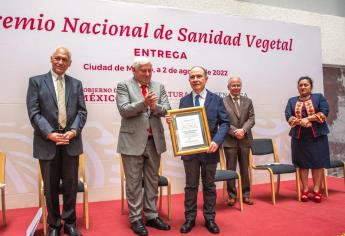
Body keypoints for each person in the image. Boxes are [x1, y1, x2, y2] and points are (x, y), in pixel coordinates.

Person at [26, 47, 87, 236]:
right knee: (50, 189)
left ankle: (69, 223)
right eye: (57, 58)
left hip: (71, 142)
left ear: (70, 63)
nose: (60, 62)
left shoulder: (76, 84)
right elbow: (34, 112)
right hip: (47, 143)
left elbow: (81, 112)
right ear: (51, 59)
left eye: (64, 59)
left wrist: (74, 131)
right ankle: (54, 225)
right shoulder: (36, 82)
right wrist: (50, 133)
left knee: (70, 186)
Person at [167, 66, 229, 234]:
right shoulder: (184, 101)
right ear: (189, 80)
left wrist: (217, 141)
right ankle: (190, 218)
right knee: (191, 186)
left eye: (199, 76)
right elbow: (181, 126)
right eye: (192, 77)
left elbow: (225, 123)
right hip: (190, 153)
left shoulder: (216, 100)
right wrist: (172, 124)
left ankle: (210, 218)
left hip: (210, 151)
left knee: (209, 186)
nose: (195, 79)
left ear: (206, 79)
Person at [116, 57, 171, 236]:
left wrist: (155, 107)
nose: (147, 74)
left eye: (150, 70)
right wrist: (144, 104)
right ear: (134, 71)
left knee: (152, 180)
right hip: (131, 142)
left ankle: (151, 215)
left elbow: (167, 109)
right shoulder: (124, 85)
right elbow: (124, 109)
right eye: (143, 71)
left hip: (154, 141)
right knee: (133, 182)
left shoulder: (159, 86)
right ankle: (135, 219)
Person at [285, 76, 330, 203]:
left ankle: (316, 190)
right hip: (299, 137)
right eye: (301, 85)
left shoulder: (319, 97)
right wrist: (301, 122)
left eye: (306, 85)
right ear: (298, 87)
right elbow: (288, 116)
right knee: (302, 164)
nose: (303, 87)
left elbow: (324, 112)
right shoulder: (291, 101)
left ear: (311, 86)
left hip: (318, 136)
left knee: (318, 163)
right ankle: (304, 189)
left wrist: (308, 119)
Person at [223, 77, 255, 206]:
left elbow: (252, 119)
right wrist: (236, 131)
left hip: (245, 140)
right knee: (230, 169)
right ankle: (231, 196)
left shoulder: (248, 101)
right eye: (233, 85)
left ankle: (246, 194)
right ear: (228, 87)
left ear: (241, 87)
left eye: (238, 85)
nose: (236, 87)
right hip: (230, 140)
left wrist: (243, 130)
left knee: (244, 169)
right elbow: (223, 120)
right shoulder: (222, 102)